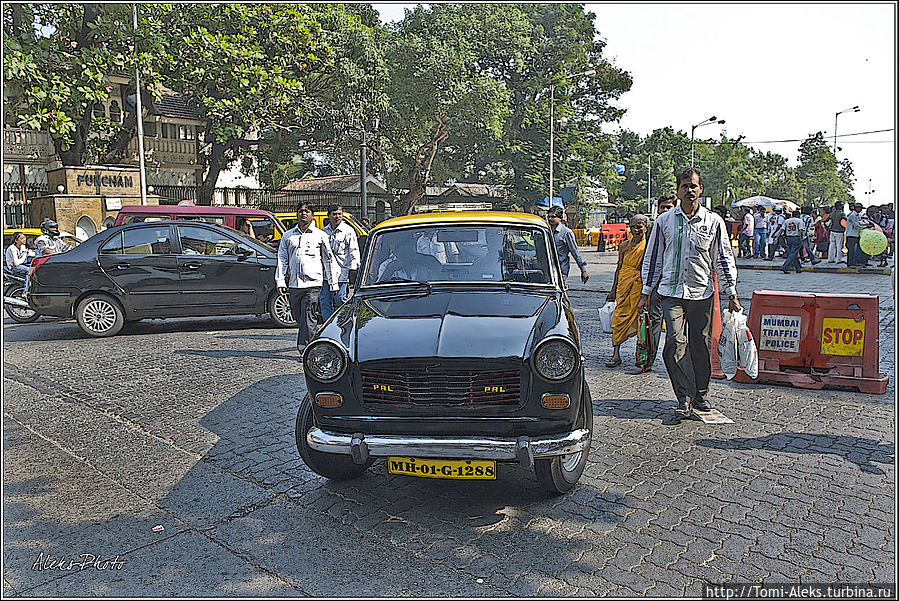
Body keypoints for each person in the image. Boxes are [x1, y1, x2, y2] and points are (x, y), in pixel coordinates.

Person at [637, 167, 740, 415]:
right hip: (671, 293)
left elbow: (722, 258)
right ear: (678, 190)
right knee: (674, 341)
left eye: (693, 186)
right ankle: (683, 396)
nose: (689, 190)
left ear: (700, 189)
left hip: (701, 292)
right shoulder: (664, 221)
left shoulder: (713, 222)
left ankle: (701, 394)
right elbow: (654, 259)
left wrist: (731, 292)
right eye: (685, 186)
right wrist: (645, 291)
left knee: (701, 346)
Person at [276, 202, 340, 354]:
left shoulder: (320, 235)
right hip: (294, 284)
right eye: (300, 211)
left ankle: (306, 350)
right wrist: (280, 280)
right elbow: (282, 259)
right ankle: (314, 338)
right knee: (299, 317)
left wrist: (333, 283)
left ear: (312, 215)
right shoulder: (288, 236)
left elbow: (328, 259)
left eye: (307, 211)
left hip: (313, 284)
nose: (303, 213)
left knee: (308, 315)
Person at [604, 214, 649, 367]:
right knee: (618, 318)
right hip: (624, 284)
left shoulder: (649, 246)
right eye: (633, 226)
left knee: (640, 320)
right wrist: (613, 290)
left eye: (640, 226)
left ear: (646, 227)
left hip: (639, 286)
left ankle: (641, 355)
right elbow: (619, 267)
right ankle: (616, 355)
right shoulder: (624, 246)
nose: (636, 230)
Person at [645, 193, 677, 370]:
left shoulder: (678, 225)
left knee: (675, 327)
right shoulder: (654, 227)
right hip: (656, 283)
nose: (664, 210)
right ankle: (649, 358)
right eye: (662, 207)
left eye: (668, 207)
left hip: (674, 283)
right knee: (654, 322)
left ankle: (674, 361)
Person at [319, 203, 360, 321]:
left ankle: (346, 319)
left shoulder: (348, 231)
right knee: (325, 300)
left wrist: (353, 270)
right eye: (334, 214)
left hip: (342, 271)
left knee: (340, 298)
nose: (337, 216)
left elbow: (353, 251)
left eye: (339, 214)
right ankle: (328, 324)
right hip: (326, 273)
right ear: (329, 216)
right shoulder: (323, 232)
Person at [546, 206, 588, 283]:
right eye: (548, 216)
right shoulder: (546, 231)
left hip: (561, 270)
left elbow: (575, 252)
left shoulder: (566, 233)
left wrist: (583, 270)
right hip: (547, 269)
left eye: (553, 217)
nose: (550, 219)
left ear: (560, 217)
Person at [780, 209, 804, 274]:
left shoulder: (786, 221)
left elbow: (782, 229)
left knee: (793, 253)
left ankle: (798, 268)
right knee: (793, 253)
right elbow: (800, 230)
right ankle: (785, 266)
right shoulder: (799, 221)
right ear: (798, 215)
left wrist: (777, 237)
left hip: (789, 238)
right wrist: (801, 238)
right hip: (796, 237)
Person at [845, 203, 862, 267]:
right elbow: (856, 225)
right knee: (851, 250)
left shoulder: (857, 215)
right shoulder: (852, 215)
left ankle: (854, 262)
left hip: (855, 235)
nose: (859, 209)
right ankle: (850, 264)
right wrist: (865, 226)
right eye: (858, 208)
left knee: (855, 250)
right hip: (851, 235)